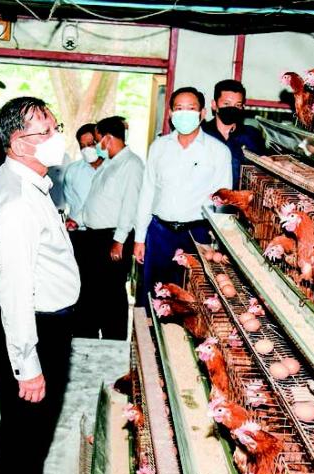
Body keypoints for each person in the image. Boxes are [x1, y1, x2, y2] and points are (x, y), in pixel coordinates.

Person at [0, 97, 79, 474]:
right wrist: (27, 364)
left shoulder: (26, 181)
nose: (57, 138)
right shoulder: (17, 202)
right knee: (24, 430)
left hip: (44, 321)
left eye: (56, 127)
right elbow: (16, 291)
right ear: (19, 144)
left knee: (34, 426)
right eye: (46, 132)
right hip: (32, 327)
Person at [134, 86, 232, 307]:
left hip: (197, 236)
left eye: (191, 108)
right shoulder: (159, 147)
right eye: (179, 108)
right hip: (159, 233)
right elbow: (147, 192)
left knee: (192, 300)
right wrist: (139, 237)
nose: (184, 113)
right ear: (170, 113)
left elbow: (222, 203)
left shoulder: (218, 152)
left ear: (202, 113)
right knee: (154, 296)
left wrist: (219, 244)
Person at [79, 116, 143, 339]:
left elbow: (130, 205)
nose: (97, 146)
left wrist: (119, 241)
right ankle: (90, 339)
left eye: (97, 140)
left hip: (113, 237)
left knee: (112, 294)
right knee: (93, 291)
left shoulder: (131, 164)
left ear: (107, 138)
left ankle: (113, 340)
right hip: (95, 237)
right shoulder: (110, 163)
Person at [61, 123, 104, 336]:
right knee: (83, 288)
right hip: (81, 237)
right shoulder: (73, 172)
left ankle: (113, 337)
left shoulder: (114, 169)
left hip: (106, 235)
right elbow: (71, 202)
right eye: (83, 145)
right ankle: (85, 335)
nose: (88, 149)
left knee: (107, 290)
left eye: (92, 143)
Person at [201, 79, 266, 188]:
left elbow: (264, 173)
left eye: (237, 105)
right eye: (226, 104)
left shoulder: (252, 136)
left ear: (243, 107)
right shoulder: (201, 134)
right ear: (214, 105)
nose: (232, 109)